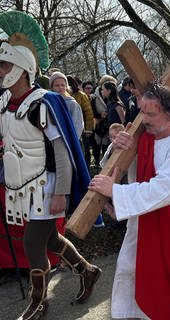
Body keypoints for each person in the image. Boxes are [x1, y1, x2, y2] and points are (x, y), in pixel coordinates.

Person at [89, 82, 170, 320]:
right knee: (132, 283)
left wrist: (116, 192)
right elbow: (125, 164)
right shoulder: (146, 135)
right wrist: (116, 149)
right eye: (142, 112)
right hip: (141, 228)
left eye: (151, 114)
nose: (145, 119)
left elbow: (165, 188)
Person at [0, 11, 101, 320]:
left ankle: (38, 303)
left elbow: (62, 151)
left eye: (3, 64)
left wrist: (61, 192)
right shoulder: (3, 102)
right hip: (18, 184)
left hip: (46, 185)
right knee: (51, 240)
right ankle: (87, 271)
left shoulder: (44, 102)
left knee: (33, 243)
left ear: (21, 68)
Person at [67, 75, 94, 169]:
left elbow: (89, 113)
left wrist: (89, 129)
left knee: (85, 150)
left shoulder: (81, 95)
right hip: (70, 128)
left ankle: (86, 168)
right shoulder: (64, 96)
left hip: (82, 129)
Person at [49, 71, 84, 139]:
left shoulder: (72, 103)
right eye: (57, 85)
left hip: (68, 140)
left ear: (66, 87)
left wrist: (72, 140)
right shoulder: (49, 103)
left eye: (63, 85)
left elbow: (77, 125)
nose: (60, 87)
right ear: (52, 87)